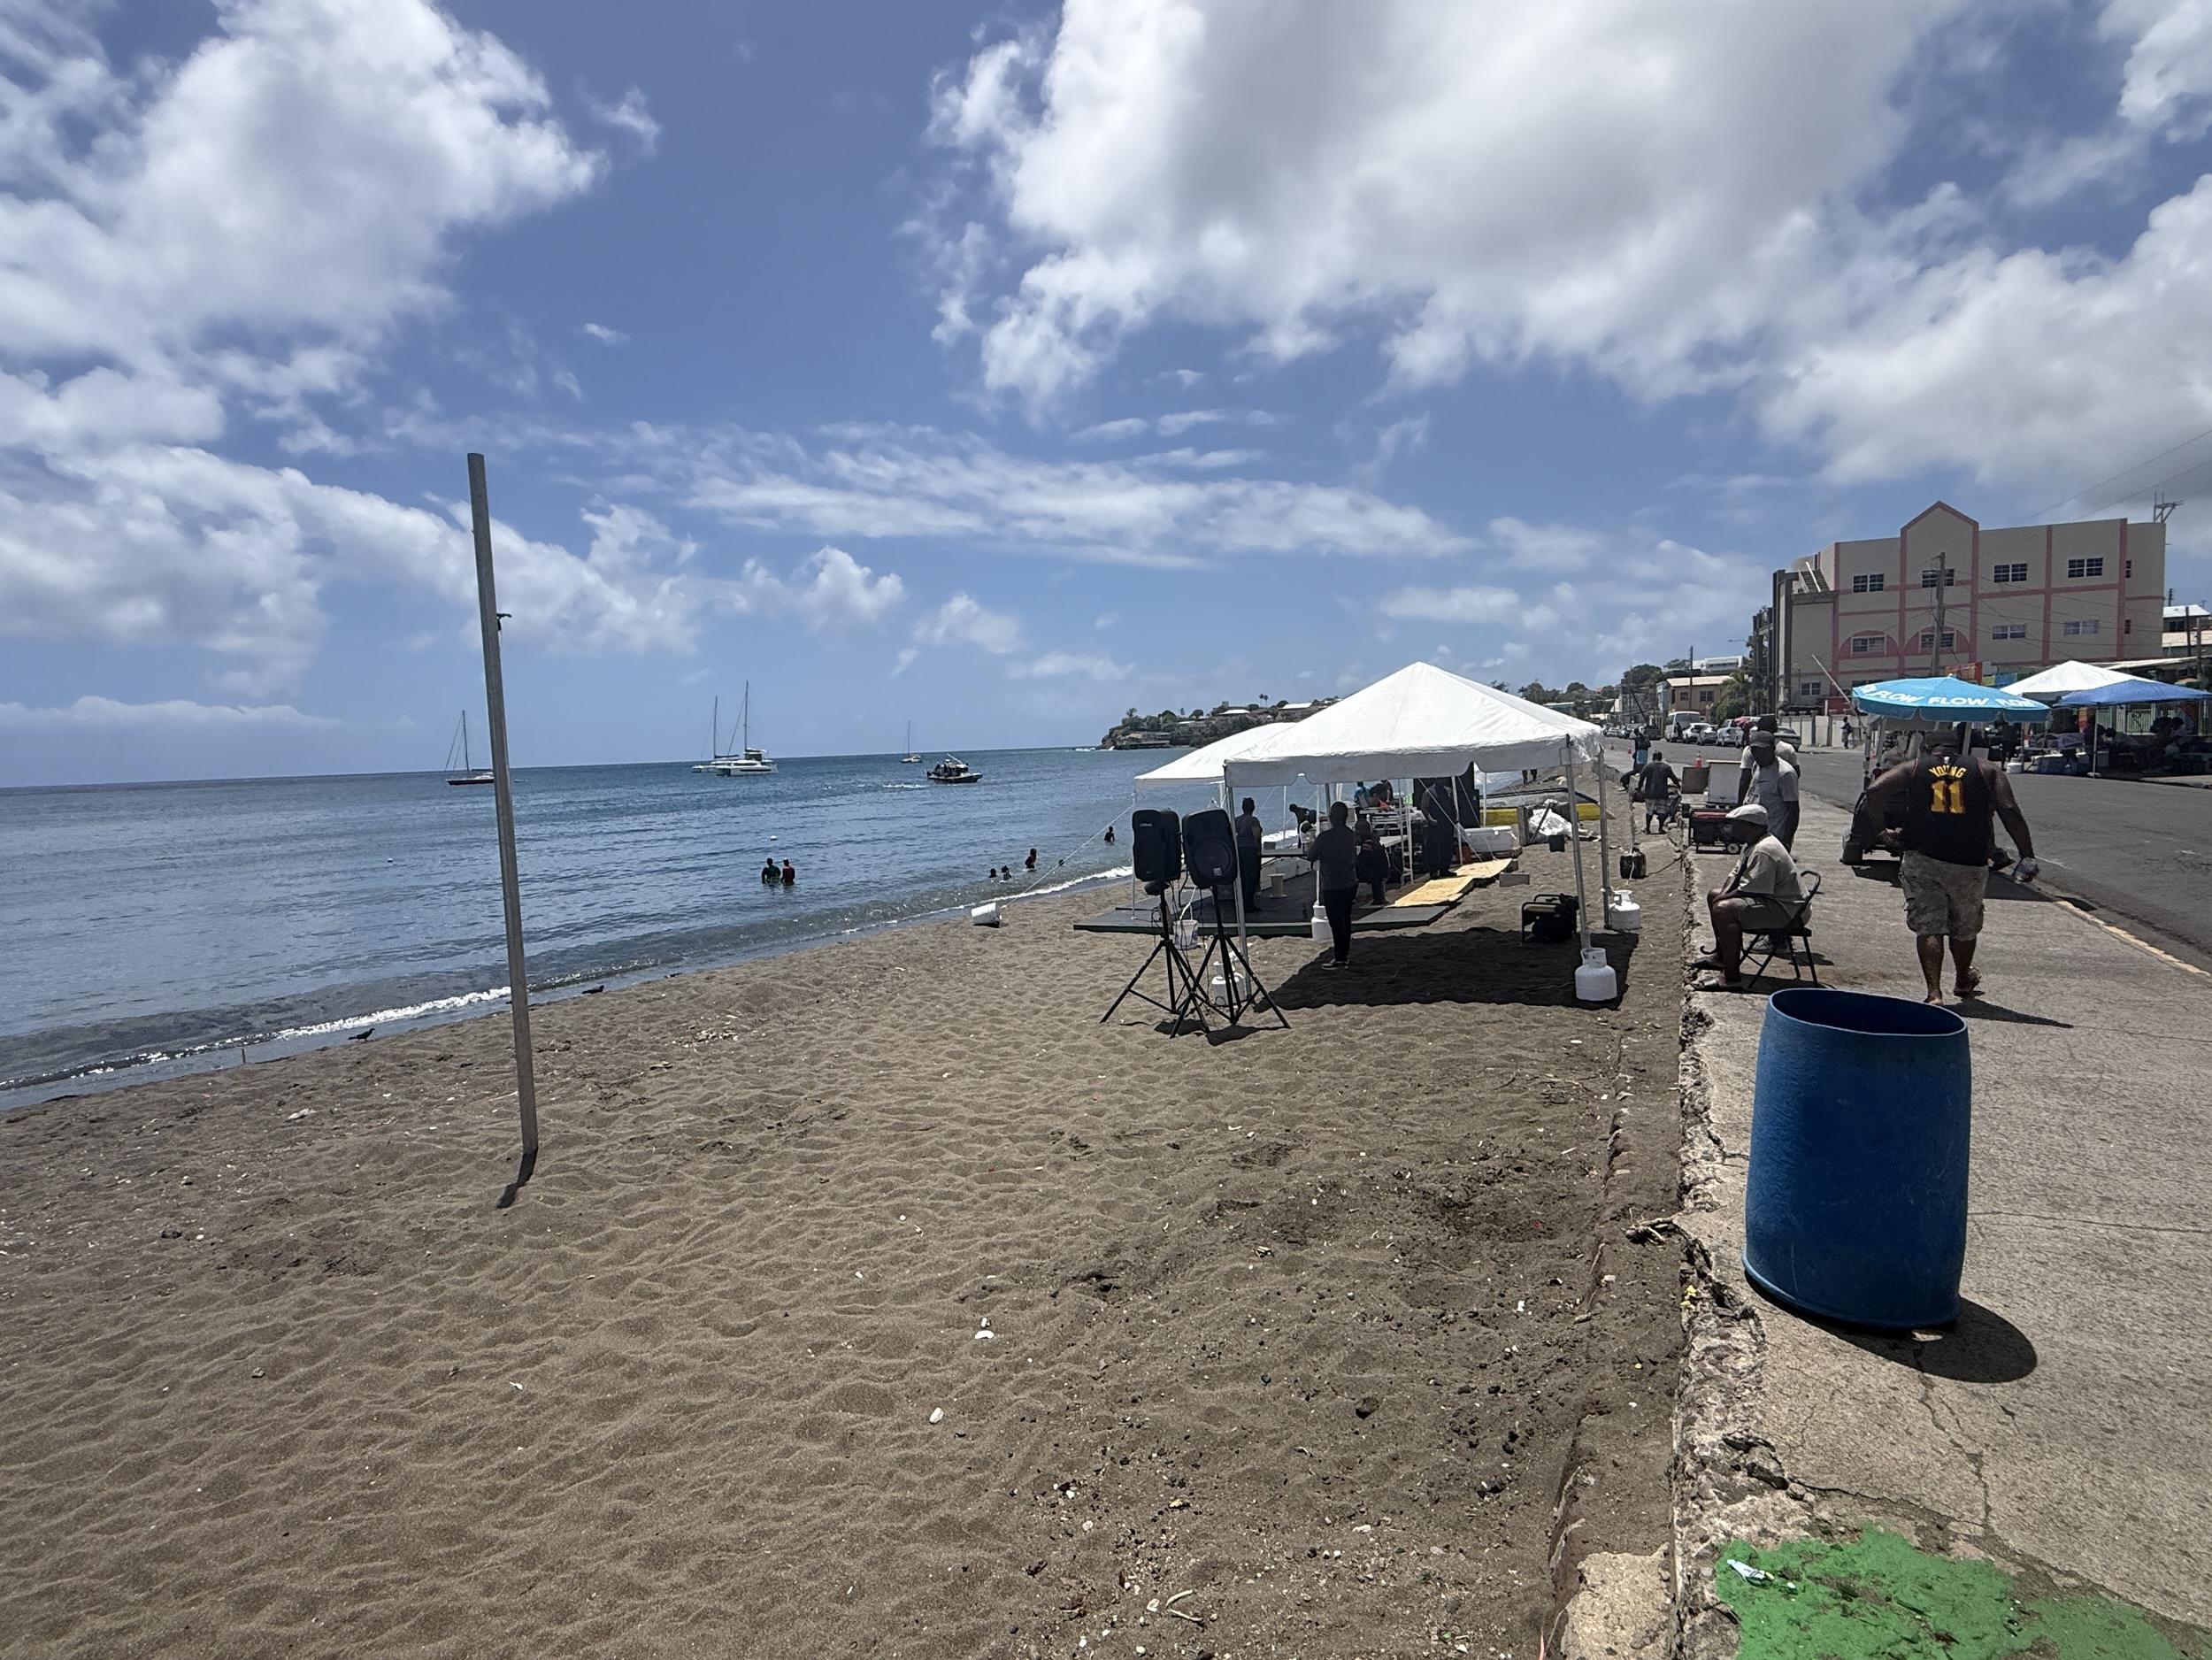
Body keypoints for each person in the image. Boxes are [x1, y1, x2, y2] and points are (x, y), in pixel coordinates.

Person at [1862, 725, 2038, 1003]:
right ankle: (1962, 980)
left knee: (1929, 926)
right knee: (1964, 926)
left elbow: (1875, 792)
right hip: (1969, 861)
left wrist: (1881, 831)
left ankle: (1934, 992)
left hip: (1923, 858)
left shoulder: (1914, 767)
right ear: (1959, 750)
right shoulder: (1986, 770)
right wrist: (2027, 854)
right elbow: (2009, 809)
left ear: (1927, 749)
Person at [1694, 803, 1804, 992]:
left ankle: (1731, 978)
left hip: (1786, 910)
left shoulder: (1764, 850)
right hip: (1772, 900)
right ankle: (1722, 956)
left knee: (1724, 909)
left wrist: (1722, 901)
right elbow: (1735, 874)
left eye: (1738, 825)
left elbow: (1751, 889)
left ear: (1752, 826)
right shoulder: (1752, 845)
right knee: (1714, 894)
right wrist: (1721, 895)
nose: (1733, 829)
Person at [1310, 801, 1360, 971]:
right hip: (1350, 882)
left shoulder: (1325, 837)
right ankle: (1343, 954)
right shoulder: (1350, 835)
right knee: (1345, 919)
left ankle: (1340, 957)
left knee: (1336, 922)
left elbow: (1311, 854)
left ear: (1331, 818)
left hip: (1333, 884)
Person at [1735, 730, 1801, 849]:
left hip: (1774, 839)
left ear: (1772, 749)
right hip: (1754, 836)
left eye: (1762, 751)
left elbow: (1793, 812)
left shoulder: (1785, 774)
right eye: (1754, 751)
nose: (1758, 754)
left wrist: (1786, 842)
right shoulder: (1757, 766)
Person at [1632, 749, 1678, 833]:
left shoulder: (1648, 766)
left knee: (1649, 811)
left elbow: (1641, 779)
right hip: (1662, 793)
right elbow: (1674, 778)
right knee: (1662, 811)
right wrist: (1679, 786)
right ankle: (1660, 828)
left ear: (1653, 758)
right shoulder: (1666, 767)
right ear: (1661, 758)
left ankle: (1648, 829)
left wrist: (1638, 789)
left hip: (1650, 793)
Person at [1233, 796, 1263, 911]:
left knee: (1242, 876)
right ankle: (1249, 903)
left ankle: (1241, 900)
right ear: (1253, 808)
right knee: (1251, 876)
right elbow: (1256, 836)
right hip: (1250, 849)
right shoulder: (1253, 820)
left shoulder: (1236, 820)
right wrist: (1258, 851)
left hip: (1239, 849)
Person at [1355, 832, 1390, 907]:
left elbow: (1363, 860)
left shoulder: (1367, 845)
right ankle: (1380, 897)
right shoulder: (1378, 846)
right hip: (1383, 870)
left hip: (1373, 873)